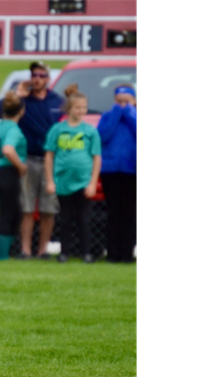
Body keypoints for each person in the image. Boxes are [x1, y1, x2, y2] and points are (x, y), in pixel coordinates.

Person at [0, 61, 64, 259]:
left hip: (50, 159)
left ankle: (42, 250)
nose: (37, 79)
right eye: (34, 75)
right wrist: (17, 94)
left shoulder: (56, 101)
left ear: (48, 79)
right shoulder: (23, 100)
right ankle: (25, 250)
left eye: (41, 76)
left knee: (49, 208)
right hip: (29, 159)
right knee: (27, 207)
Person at [44, 84, 102, 263]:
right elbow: (49, 155)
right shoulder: (58, 129)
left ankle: (86, 253)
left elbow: (96, 158)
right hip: (63, 181)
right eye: (78, 107)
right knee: (66, 219)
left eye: (84, 107)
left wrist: (92, 183)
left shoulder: (89, 131)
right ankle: (64, 253)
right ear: (69, 108)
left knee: (84, 219)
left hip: (83, 181)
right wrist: (50, 180)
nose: (81, 110)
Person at [97, 84, 137, 263]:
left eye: (126, 102)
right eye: (119, 101)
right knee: (113, 212)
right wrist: (115, 115)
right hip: (110, 170)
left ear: (134, 101)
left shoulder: (134, 115)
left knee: (128, 213)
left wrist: (129, 114)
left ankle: (127, 254)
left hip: (131, 170)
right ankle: (112, 254)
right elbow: (102, 136)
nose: (122, 105)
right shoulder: (107, 116)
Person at [0, 92, 29, 260]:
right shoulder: (14, 129)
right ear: (22, 111)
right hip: (8, 173)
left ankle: (11, 251)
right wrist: (21, 166)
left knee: (15, 212)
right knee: (8, 214)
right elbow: (8, 149)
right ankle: (2, 255)